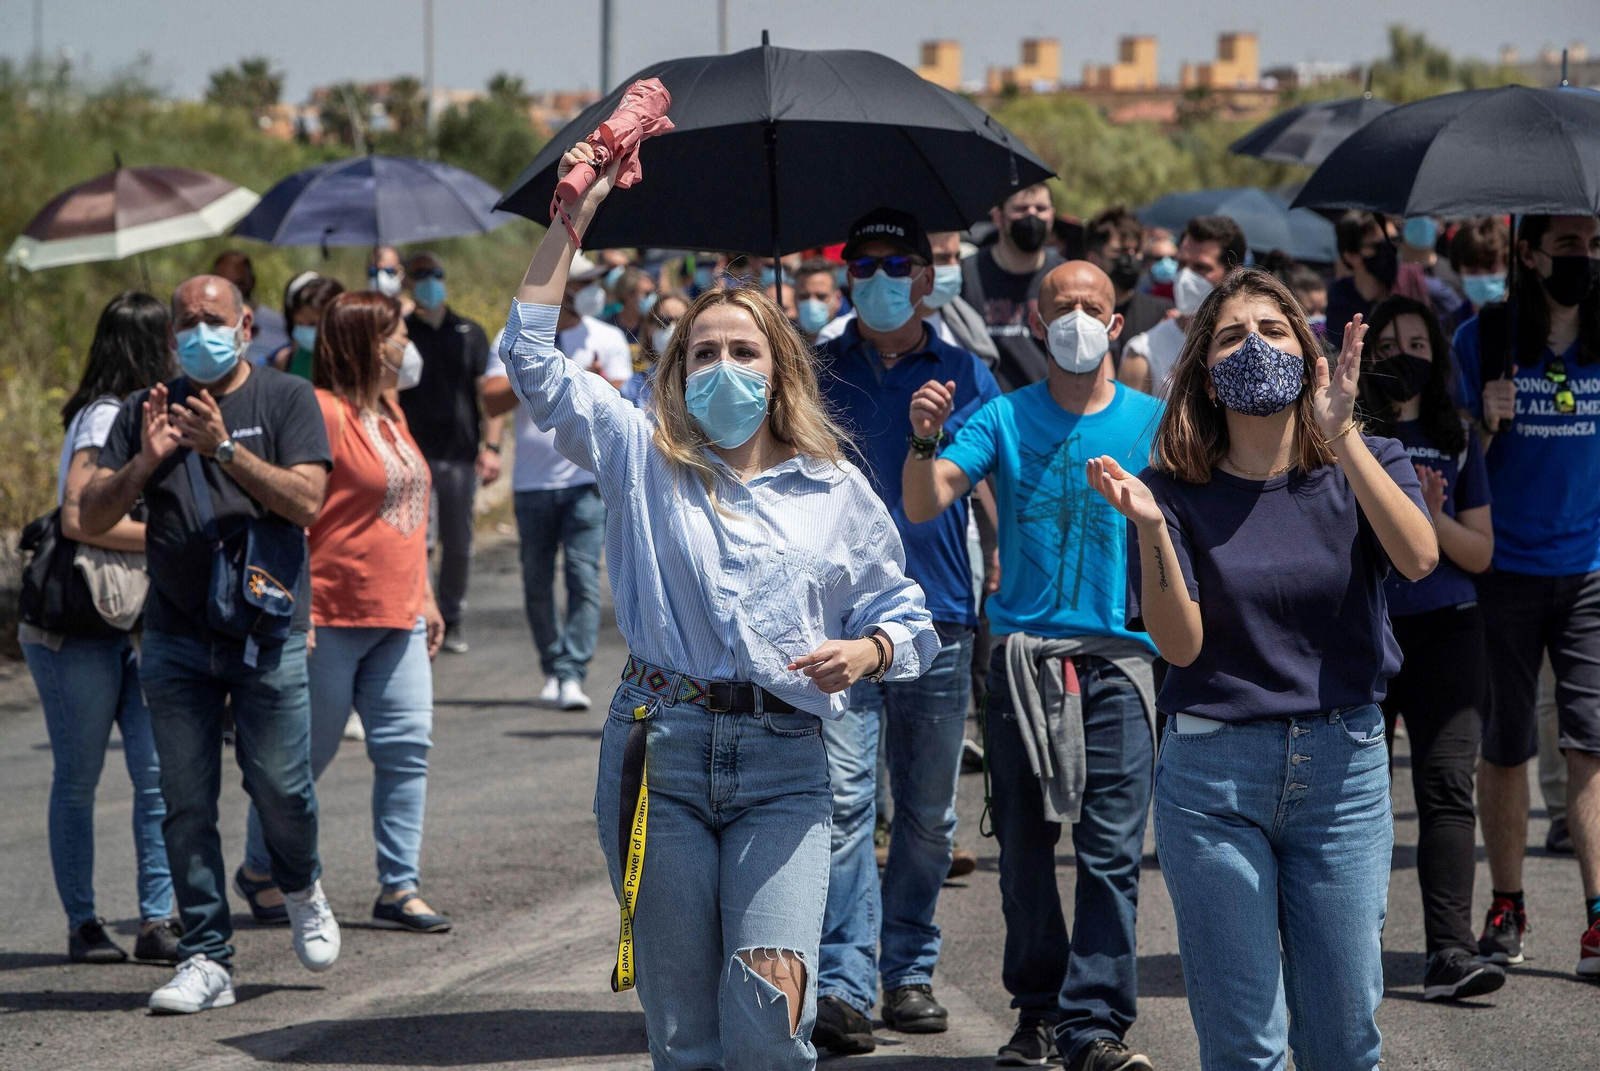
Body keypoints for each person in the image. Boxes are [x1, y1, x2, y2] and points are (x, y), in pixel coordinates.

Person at [501, 142, 937, 1070]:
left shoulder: (832, 488)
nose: (724, 367)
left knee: (771, 1029)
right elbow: (529, 356)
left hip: (787, 768)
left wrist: (870, 652)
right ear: (677, 371)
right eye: (704, 353)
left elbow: (911, 612)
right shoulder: (637, 453)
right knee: (686, 1037)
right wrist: (572, 220)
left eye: (744, 351)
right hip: (660, 753)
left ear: (779, 370)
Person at [1093, 270, 1436, 1070]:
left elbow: (1419, 558)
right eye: (1231, 336)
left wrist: (1342, 431)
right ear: (1205, 371)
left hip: (1343, 774)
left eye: (1274, 330)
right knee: (1245, 1046)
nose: (1255, 347)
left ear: (1310, 355)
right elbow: (1178, 646)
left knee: (1344, 1039)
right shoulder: (1170, 491)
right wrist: (1149, 529)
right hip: (1213, 780)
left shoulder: (1365, 457)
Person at [903, 260, 1162, 1071]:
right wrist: (922, 437)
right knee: (1022, 849)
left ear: (1116, 323)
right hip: (1020, 663)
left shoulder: (1157, 422)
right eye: (1064, 307)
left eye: (1094, 306)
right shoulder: (1004, 418)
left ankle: (1095, 1025)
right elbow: (924, 498)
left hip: (1122, 662)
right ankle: (1038, 1009)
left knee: (1111, 852)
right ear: (1038, 325)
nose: (1079, 317)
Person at [78, 274, 341, 1014]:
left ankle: (299, 882)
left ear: (247, 324)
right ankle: (206, 955)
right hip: (175, 636)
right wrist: (144, 460)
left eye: (212, 318)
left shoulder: (286, 398)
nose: (199, 331)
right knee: (184, 800)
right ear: (169, 338)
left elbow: (307, 501)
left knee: (283, 788)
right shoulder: (144, 410)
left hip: (267, 630)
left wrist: (224, 450)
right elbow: (91, 516)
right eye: (185, 322)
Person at [808, 209, 1002, 1054]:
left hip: (939, 614)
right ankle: (844, 981)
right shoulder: (810, 368)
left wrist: (1003, 566)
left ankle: (909, 969)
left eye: (894, 263)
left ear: (927, 277)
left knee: (926, 815)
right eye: (862, 264)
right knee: (845, 804)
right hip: (836, 621)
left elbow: (989, 482)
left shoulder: (965, 374)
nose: (876, 276)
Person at [236, 291, 451, 935]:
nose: (408, 343)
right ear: (366, 341)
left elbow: (408, 516)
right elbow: (296, 514)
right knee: (301, 760)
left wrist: (429, 596)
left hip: (401, 610)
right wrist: (293, 613)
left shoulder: (392, 410)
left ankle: (399, 886)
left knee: (407, 747)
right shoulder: (323, 412)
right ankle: (259, 867)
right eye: (398, 332)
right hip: (330, 611)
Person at [1453, 213, 1600, 978]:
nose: (1587, 257)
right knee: (1508, 746)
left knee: (1591, 742)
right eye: (1571, 244)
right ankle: (1506, 903)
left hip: (1589, 572)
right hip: (1500, 570)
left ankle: (1598, 918)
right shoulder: (1484, 337)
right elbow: (1444, 456)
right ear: (1530, 252)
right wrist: (1483, 419)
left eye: (1597, 243)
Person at [22, 292, 180, 966]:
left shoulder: (152, 414)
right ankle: (83, 921)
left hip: (138, 620)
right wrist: (170, 537)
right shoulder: (105, 416)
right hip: (81, 624)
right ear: (148, 345)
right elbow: (77, 519)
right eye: (176, 334)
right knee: (80, 777)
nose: (185, 345)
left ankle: (157, 919)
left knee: (156, 778)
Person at [1358, 295, 1504, 1000]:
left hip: (1450, 627)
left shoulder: (1458, 435)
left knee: (1447, 787)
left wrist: (1432, 516)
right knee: (1357, 797)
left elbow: (1480, 552)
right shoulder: (1347, 435)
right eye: (1388, 345)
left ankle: (1451, 949)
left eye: (1418, 343)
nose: (1404, 356)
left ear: (1437, 356)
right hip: (1367, 628)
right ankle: (1349, 944)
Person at [481, 252, 632, 711]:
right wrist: (537, 368)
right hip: (531, 483)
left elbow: (625, 401)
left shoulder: (607, 337)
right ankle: (551, 666)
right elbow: (490, 402)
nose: (592, 290)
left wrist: (584, 377)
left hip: (587, 481)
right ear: (561, 286)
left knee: (584, 578)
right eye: (583, 281)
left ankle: (571, 673)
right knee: (536, 581)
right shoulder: (513, 338)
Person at [397, 251, 501, 655]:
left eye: (434, 274)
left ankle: (452, 618)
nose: (428, 282)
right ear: (408, 283)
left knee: (458, 543)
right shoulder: (401, 333)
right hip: (415, 456)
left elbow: (487, 396)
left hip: (460, 455)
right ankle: (421, 617)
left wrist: (491, 446)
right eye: (420, 275)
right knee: (421, 541)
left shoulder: (469, 332)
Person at [1120, 215, 1247, 399]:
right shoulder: (1145, 352)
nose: (1186, 276)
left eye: (1201, 267)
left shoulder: (1253, 343)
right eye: (1181, 264)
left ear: (1234, 274)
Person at [961, 183, 1065, 391]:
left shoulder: (1066, 278)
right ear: (998, 217)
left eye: (1041, 209)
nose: (1032, 216)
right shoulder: (967, 274)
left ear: (1052, 216)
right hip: (986, 408)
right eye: (1021, 209)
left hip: (1049, 408)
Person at [1083, 207, 1172, 362]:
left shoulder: (1162, 313)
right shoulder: (1081, 315)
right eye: (1120, 251)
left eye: (1136, 250)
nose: (1130, 258)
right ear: (1093, 259)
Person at [1326, 211, 1396, 350]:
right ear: (1350, 255)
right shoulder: (1338, 303)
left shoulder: (1416, 289)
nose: (1390, 250)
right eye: (1377, 245)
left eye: (1394, 241)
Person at [212, 251, 285, 364]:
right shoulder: (205, 328)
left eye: (239, 283)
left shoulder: (279, 324)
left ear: (252, 281)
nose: (233, 291)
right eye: (225, 284)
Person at [270, 274, 345, 379]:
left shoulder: (350, 366)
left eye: (313, 324)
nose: (305, 329)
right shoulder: (286, 361)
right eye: (299, 323)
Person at [1445, 216, 1510, 336]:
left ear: (1507, 265)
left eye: (1491, 270)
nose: (1483, 277)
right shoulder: (1447, 328)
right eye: (1473, 271)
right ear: (1459, 269)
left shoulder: (1527, 323)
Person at [623, 290, 689, 408]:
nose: (673, 329)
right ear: (649, 328)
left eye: (681, 322)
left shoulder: (702, 381)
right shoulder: (633, 387)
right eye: (664, 322)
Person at [793, 258, 844, 341]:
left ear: (838, 299)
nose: (811, 303)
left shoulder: (849, 344)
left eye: (821, 296)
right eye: (804, 296)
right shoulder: (784, 344)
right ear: (794, 299)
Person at [605, 266, 657, 346]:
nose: (652, 298)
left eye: (653, 292)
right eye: (647, 293)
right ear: (628, 295)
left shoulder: (654, 327)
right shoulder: (607, 327)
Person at [369, 245, 412, 316]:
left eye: (390, 271)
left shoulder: (410, 310)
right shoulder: (379, 276)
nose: (396, 263)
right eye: (392, 260)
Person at [1141, 231, 1178, 302]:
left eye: (1172, 258)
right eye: (1159, 258)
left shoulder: (1184, 295)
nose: (1166, 263)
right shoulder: (1141, 295)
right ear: (1148, 263)